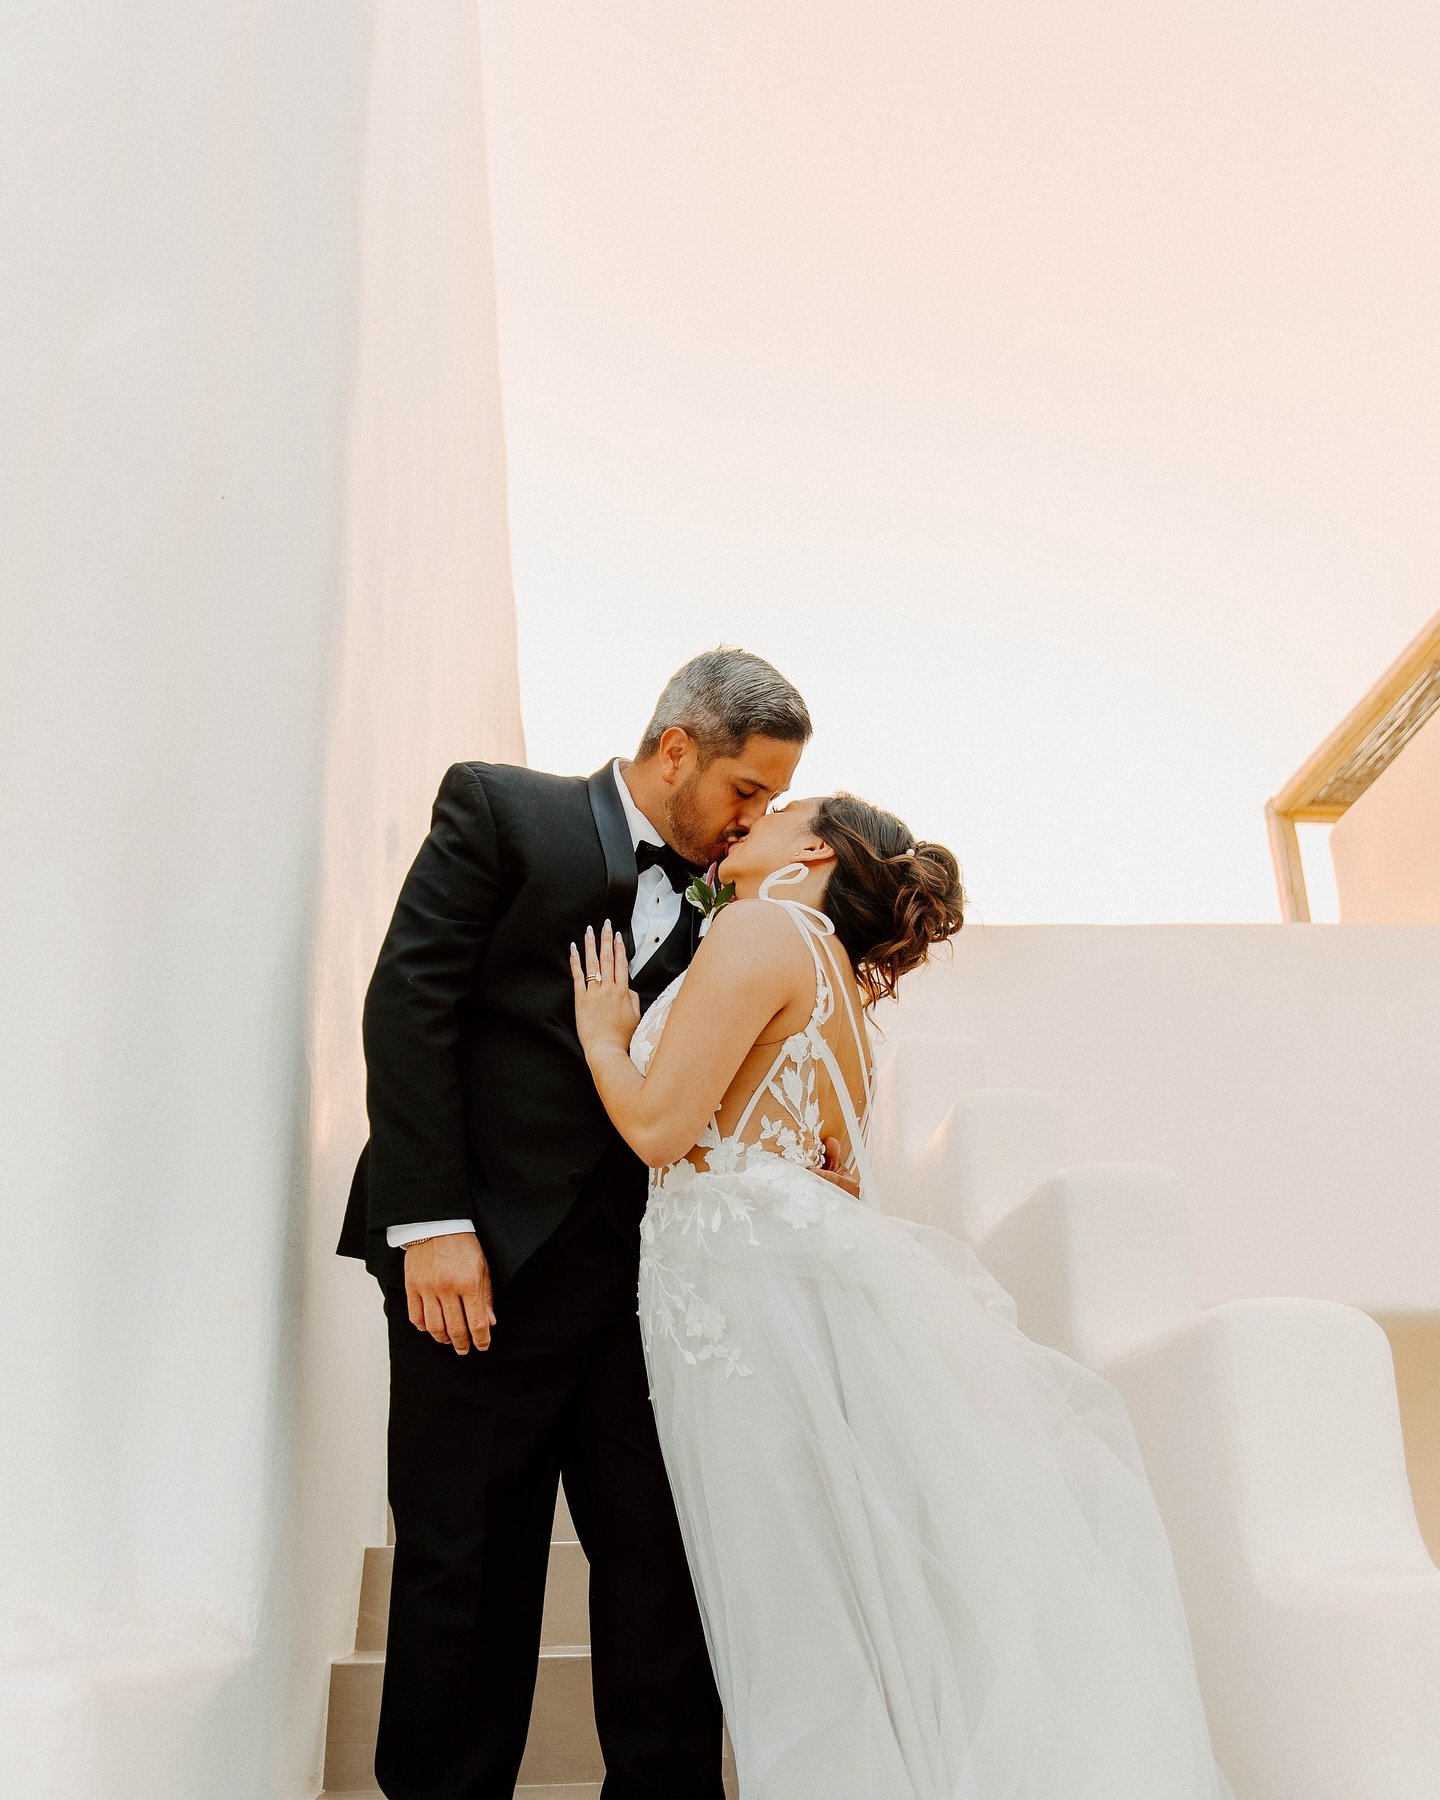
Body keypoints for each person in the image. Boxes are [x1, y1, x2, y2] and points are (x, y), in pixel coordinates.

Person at [570, 792, 1239, 1800]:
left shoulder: (758, 927)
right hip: (757, 1293)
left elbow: (663, 1131)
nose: (748, 823)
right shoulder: (833, 978)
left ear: (818, 854)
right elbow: (809, 1151)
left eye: (777, 811)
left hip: (733, 1304)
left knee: (785, 1606)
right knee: (822, 1592)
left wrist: (604, 1039)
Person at [336, 647, 827, 1799]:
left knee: (665, 1574)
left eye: (769, 800)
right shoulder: (504, 811)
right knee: (468, 1578)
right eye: (742, 792)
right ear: (675, 751)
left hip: (646, 1298)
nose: (747, 819)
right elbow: (409, 1003)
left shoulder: (739, 904)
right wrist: (432, 1222)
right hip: (477, 1278)